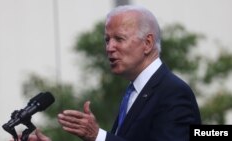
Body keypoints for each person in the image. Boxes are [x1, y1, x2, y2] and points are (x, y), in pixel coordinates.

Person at [18, 4, 201, 141]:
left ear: (147, 43)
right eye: (107, 40)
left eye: (119, 39)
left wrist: (98, 136)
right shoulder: (134, 91)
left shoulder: (173, 92)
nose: (109, 47)